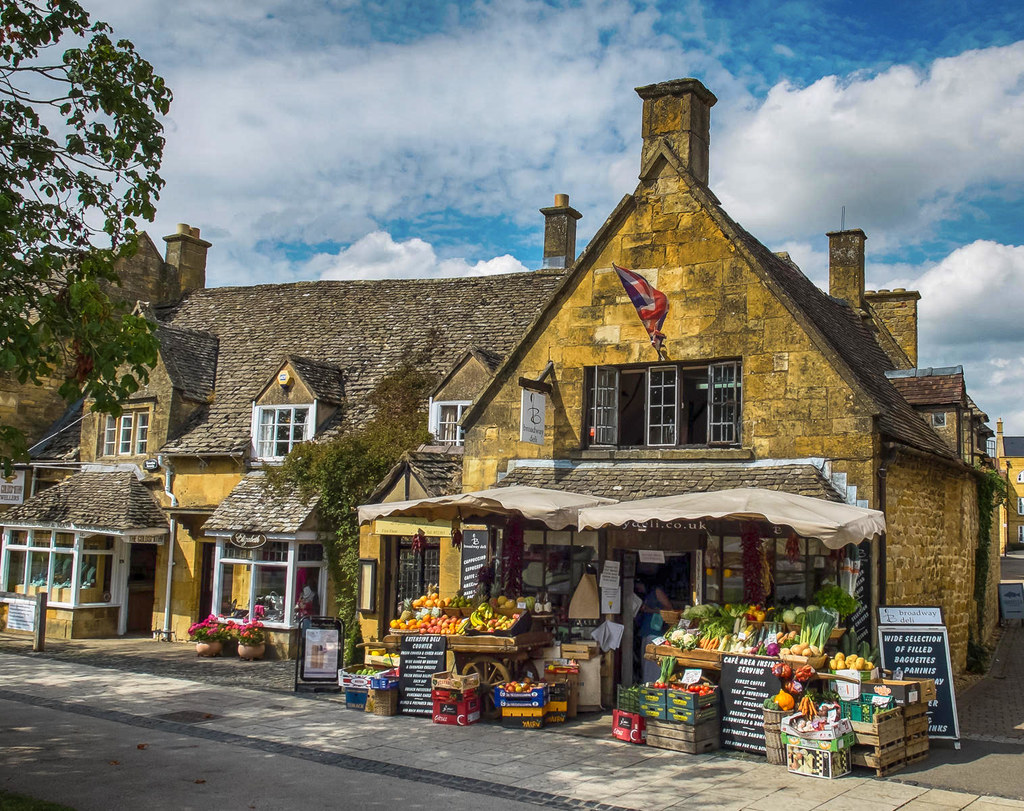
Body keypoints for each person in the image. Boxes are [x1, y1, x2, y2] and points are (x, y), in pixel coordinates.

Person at [638, 568, 674, 683]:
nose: (637, 588)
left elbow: (669, 609)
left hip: (655, 632)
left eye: (638, 584)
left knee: (653, 661)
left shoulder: (657, 591)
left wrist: (651, 610)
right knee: (646, 660)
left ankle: (654, 683)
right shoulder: (646, 594)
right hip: (647, 631)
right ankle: (647, 684)